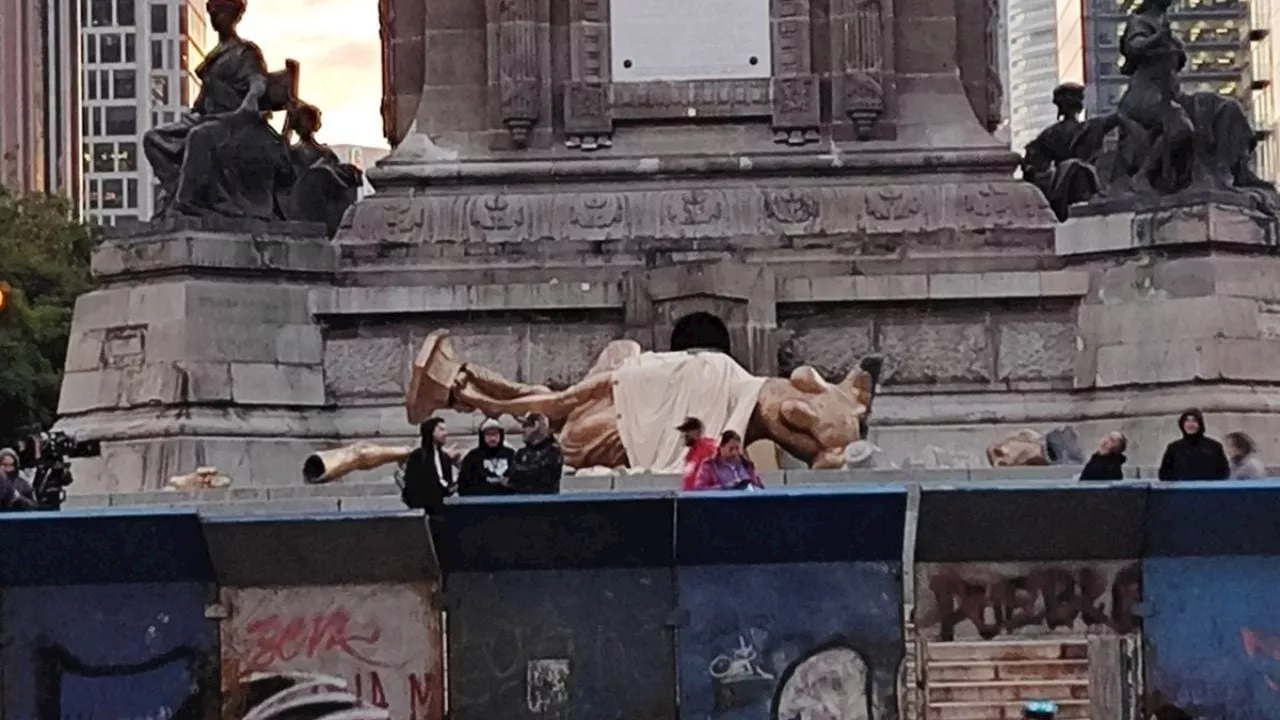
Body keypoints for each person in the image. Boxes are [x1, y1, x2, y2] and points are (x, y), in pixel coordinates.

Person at [401, 417, 457, 514]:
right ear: (431, 431)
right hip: (425, 511)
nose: (445, 433)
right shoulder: (418, 456)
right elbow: (411, 485)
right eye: (441, 429)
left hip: (443, 509)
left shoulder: (445, 458)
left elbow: (447, 483)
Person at [1157, 409, 1230, 481]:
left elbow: (1224, 473)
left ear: (1200, 424)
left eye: (1194, 421)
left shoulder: (1214, 447)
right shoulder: (1173, 448)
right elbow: (1164, 474)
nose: (1190, 424)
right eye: (1187, 420)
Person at [457, 418, 517, 496]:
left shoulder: (511, 455)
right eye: (489, 434)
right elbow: (464, 484)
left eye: (495, 434)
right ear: (482, 436)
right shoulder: (472, 457)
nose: (492, 438)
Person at [506, 413, 563, 494]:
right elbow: (511, 475)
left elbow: (539, 474)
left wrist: (519, 475)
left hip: (546, 502)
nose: (523, 430)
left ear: (536, 426)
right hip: (522, 502)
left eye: (526, 426)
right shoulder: (521, 453)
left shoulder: (553, 451)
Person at [694, 430, 765, 491]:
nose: (734, 453)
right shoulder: (709, 467)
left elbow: (760, 486)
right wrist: (724, 488)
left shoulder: (746, 465)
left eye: (737, 449)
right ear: (721, 448)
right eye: (731, 449)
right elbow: (699, 489)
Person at [678, 417, 718, 491]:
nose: (684, 435)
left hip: (703, 495)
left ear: (696, 432)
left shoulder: (707, 446)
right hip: (690, 495)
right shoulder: (690, 454)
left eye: (686, 431)